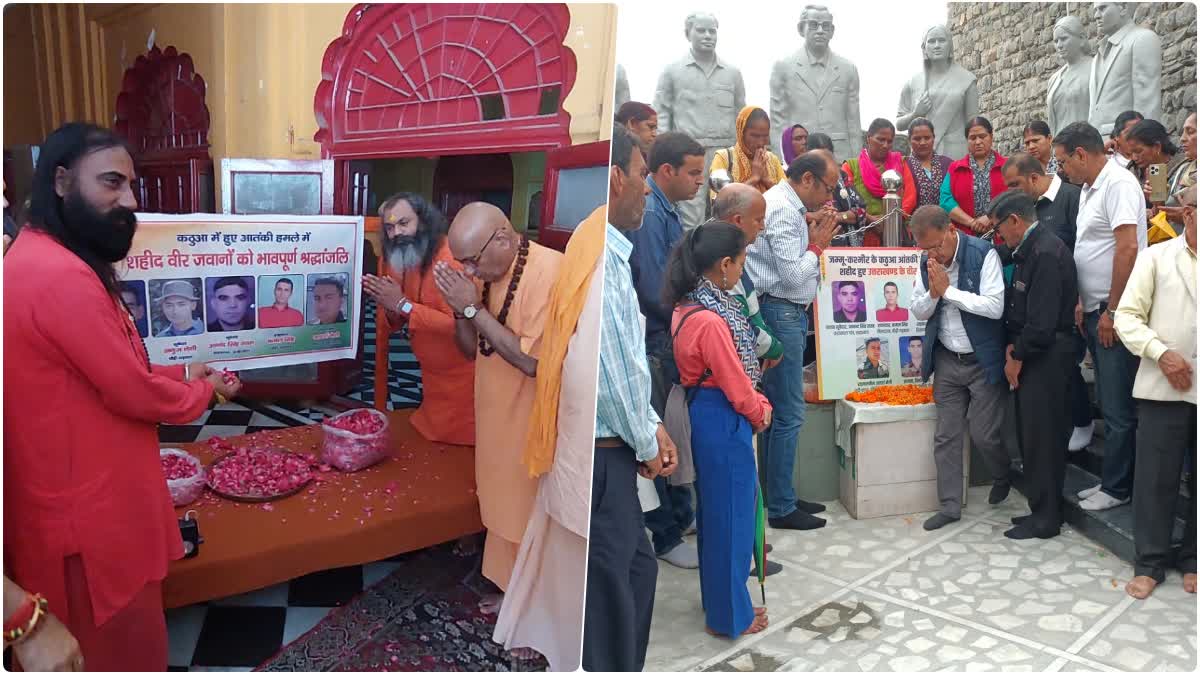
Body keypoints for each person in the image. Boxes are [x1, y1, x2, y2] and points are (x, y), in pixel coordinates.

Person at [3, 122, 240, 671]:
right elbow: (132, 392)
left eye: (131, 186)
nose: (128, 201)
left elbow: (100, 367)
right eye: (111, 182)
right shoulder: (58, 274)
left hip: (71, 507)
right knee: (118, 655)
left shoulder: (43, 257)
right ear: (61, 181)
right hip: (89, 527)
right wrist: (205, 392)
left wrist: (184, 370)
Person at [492, 203, 608, 669]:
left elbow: (537, 361)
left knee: (576, 539)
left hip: (572, 420)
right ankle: (547, 633)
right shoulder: (589, 234)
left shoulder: (555, 263)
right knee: (555, 531)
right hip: (559, 421)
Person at [433, 202, 562, 612]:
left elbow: (532, 363)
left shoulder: (549, 272)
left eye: (472, 260)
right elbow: (471, 349)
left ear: (504, 237)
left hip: (529, 420)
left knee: (526, 514)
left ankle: (531, 613)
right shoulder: (485, 279)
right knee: (500, 506)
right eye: (462, 263)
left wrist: (472, 308)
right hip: (493, 416)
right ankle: (512, 595)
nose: (468, 271)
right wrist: (460, 311)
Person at [585, 126, 675, 672]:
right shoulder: (602, 261)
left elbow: (626, 365)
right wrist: (646, 441)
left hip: (621, 438)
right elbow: (609, 371)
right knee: (612, 585)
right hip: (605, 449)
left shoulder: (612, 253)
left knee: (637, 572)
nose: (646, 190)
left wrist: (650, 426)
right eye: (643, 176)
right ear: (617, 177)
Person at [666, 221, 773, 638]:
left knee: (715, 515)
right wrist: (760, 411)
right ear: (725, 264)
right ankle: (731, 616)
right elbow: (735, 383)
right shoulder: (710, 320)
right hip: (721, 413)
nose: (742, 271)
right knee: (733, 519)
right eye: (742, 263)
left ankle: (721, 602)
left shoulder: (688, 305)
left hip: (704, 411)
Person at [1054, 121, 1148, 512]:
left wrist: (1111, 308)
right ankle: (1113, 480)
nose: (1061, 171)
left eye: (1063, 162)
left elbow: (1126, 249)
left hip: (1116, 312)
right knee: (1111, 400)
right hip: (1093, 310)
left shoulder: (1119, 185)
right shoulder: (1090, 189)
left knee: (1116, 405)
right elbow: (1090, 249)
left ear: (1080, 153)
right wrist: (1083, 301)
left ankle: (1118, 486)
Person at [744, 152, 840, 529]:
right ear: (806, 180)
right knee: (788, 413)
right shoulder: (783, 210)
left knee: (778, 413)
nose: (830, 198)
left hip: (782, 312)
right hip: (781, 311)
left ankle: (776, 495)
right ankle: (781, 507)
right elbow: (794, 277)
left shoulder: (786, 204)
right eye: (828, 187)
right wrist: (816, 247)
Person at [624, 131, 705, 569]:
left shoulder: (668, 208)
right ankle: (667, 535)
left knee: (672, 430)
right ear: (666, 171)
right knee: (661, 438)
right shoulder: (652, 213)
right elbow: (658, 290)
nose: (699, 181)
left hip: (667, 335)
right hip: (656, 339)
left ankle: (680, 520)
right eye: (692, 173)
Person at [909, 205, 1014, 531]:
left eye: (937, 245)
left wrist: (949, 292)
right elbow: (918, 310)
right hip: (947, 359)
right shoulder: (927, 264)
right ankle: (950, 506)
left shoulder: (984, 255)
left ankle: (1002, 474)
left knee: (984, 434)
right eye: (925, 249)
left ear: (952, 231)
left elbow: (995, 307)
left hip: (982, 360)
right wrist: (934, 293)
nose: (933, 254)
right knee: (946, 436)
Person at [1114, 184, 1196, 600]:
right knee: (1155, 478)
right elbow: (1126, 318)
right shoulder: (1156, 258)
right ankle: (1150, 561)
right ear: (1187, 211)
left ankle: (1195, 557)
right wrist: (1161, 354)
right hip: (1164, 385)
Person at [992, 190, 1079, 540]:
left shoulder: (1045, 252)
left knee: (1043, 440)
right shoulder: (1031, 249)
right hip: (1035, 354)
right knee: (1032, 437)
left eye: (1000, 230)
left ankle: (1046, 519)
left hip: (1047, 357)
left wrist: (1016, 356)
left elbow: (1041, 325)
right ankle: (1039, 509)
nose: (1001, 238)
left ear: (1015, 221)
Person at [362, 192, 475, 446]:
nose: (396, 233)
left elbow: (456, 324)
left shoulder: (449, 261)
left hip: (463, 376)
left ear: (423, 222)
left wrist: (401, 304)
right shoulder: (404, 257)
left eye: (404, 223)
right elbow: (399, 317)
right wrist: (390, 305)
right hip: (432, 376)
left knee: (460, 452)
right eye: (389, 227)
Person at [1001, 151, 1094, 451]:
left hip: (1072, 296)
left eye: (1015, 184)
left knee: (1068, 366)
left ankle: (1082, 420)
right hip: (1038, 298)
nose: (1011, 191)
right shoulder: (1025, 208)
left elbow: (1083, 246)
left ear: (1033, 177)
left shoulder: (1071, 198)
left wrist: (1080, 296)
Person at [654, 12, 746, 230]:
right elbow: (662, 114)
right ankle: (688, 262)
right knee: (690, 217)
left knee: (727, 211)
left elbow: (741, 117)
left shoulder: (732, 73)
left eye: (712, 31)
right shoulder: (672, 71)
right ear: (688, 33)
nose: (707, 36)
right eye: (701, 30)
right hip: (688, 156)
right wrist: (663, 154)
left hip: (725, 156)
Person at [770, 5, 862, 158]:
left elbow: (853, 122)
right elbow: (778, 121)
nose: (820, 30)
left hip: (838, 156)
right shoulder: (783, 67)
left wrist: (856, 162)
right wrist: (781, 161)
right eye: (813, 25)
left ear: (832, 31)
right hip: (799, 157)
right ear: (801, 28)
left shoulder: (848, 69)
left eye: (825, 26)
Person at [713, 184, 782, 364]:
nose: (762, 227)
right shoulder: (724, 264)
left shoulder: (725, 250)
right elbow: (741, 325)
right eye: (758, 220)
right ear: (737, 220)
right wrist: (773, 349)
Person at [896, 24, 979, 161]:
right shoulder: (913, 82)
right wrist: (916, 113)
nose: (937, 45)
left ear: (950, 46)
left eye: (941, 40)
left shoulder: (967, 80)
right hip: (921, 155)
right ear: (924, 47)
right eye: (931, 41)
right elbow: (899, 124)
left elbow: (974, 125)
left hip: (956, 152)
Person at [1087, 2, 1163, 136]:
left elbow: (1147, 101)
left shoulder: (1142, 39)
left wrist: (1144, 144)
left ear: (1123, 8)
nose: (1096, 16)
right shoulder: (1097, 56)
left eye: (1103, 8)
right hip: (1099, 146)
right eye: (1095, 10)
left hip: (1127, 143)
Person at [842, 118, 918, 246]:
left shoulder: (901, 163)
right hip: (862, 234)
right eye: (880, 139)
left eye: (889, 141)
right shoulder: (850, 166)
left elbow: (910, 197)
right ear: (868, 138)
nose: (885, 145)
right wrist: (870, 219)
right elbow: (846, 202)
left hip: (896, 231)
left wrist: (890, 221)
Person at [941, 116, 1008, 237]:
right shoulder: (955, 168)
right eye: (972, 138)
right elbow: (946, 200)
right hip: (965, 237)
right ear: (967, 140)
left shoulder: (1007, 166)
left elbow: (1015, 196)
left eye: (982, 136)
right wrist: (971, 222)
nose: (978, 142)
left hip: (1002, 236)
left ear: (991, 137)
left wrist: (991, 217)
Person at [709, 106, 785, 196]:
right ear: (741, 133)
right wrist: (754, 178)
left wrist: (766, 180)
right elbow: (718, 200)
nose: (760, 143)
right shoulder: (724, 158)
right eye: (755, 136)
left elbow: (789, 200)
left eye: (765, 136)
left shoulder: (772, 160)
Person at [806, 138, 868, 245]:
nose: (823, 163)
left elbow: (860, 211)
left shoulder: (841, 177)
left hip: (846, 248)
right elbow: (793, 213)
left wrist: (836, 216)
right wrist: (814, 216)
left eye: (827, 157)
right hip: (814, 245)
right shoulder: (805, 180)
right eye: (818, 158)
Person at [1047, 15, 1093, 136]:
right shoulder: (1054, 79)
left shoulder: (1095, 68)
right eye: (1056, 41)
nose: (1059, 45)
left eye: (1064, 39)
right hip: (1061, 147)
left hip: (1087, 144)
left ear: (1082, 38)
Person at [1124, 118, 1183, 210]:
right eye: (1131, 153)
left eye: (1138, 151)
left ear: (1157, 147)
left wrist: (1158, 203)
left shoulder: (1182, 169)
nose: (1134, 158)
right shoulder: (1132, 172)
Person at [906, 117, 954, 212]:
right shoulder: (904, 165)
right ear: (909, 140)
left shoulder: (948, 164)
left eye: (927, 138)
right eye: (917, 139)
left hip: (946, 224)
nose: (922, 142)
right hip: (913, 224)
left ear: (933, 138)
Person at [1159, 112, 1198, 227]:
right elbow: (1166, 208)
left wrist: (1188, 216)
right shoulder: (1182, 169)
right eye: (1182, 133)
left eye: (1190, 132)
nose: (1182, 139)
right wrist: (1158, 202)